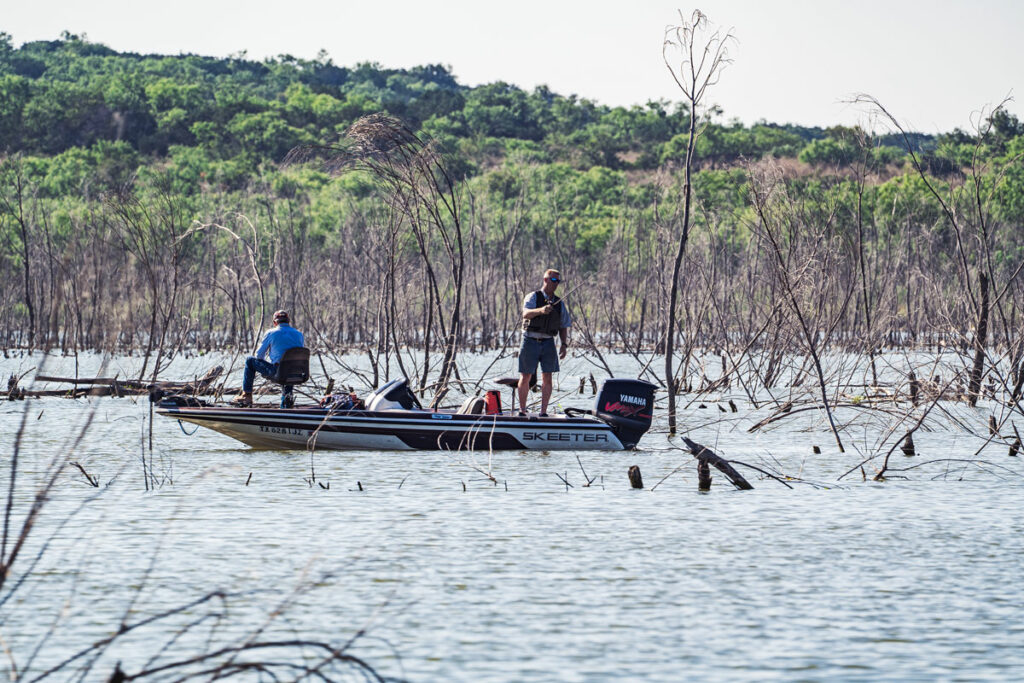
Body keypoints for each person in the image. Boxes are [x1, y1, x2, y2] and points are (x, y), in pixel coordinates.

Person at [518, 269, 572, 417]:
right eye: (553, 280)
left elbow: (563, 325)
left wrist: (564, 344)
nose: (556, 284)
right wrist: (541, 310)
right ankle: (522, 411)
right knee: (526, 376)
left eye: (558, 282)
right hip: (530, 340)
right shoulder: (533, 297)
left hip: (548, 342)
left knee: (547, 376)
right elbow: (525, 313)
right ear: (545, 280)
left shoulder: (559, 303)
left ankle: (543, 412)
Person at [234, 309, 305, 408]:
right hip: (296, 373)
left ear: (275, 322)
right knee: (288, 373)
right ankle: (286, 408)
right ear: (289, 321)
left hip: (279, 372)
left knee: (250, 361)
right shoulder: (299, 334)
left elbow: (258, 355)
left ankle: (247, 395)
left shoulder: (271, 333)